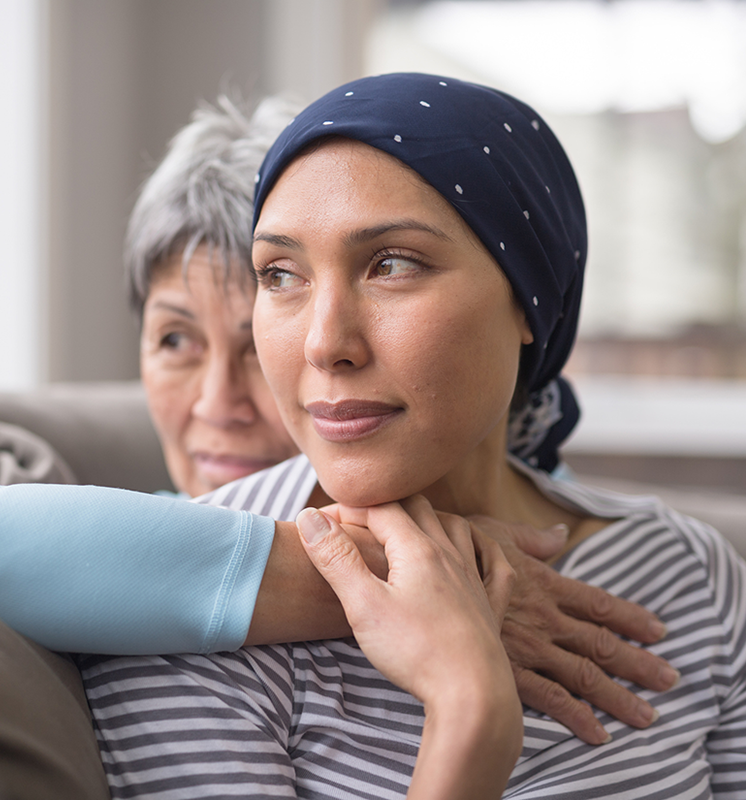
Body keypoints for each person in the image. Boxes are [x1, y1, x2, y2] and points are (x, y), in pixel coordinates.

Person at [76, 74, 746, 798]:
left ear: (529, 301)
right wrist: (469, 715)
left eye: (392, 264)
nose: (324, 343)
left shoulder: (690, 571)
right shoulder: (179, 609)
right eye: (279, 274)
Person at [0, 94, 674, 741]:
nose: (216, 404)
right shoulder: (113, 557)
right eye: (175, 340)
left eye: (390, 266)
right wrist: (384, 571)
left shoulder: (643, 558)